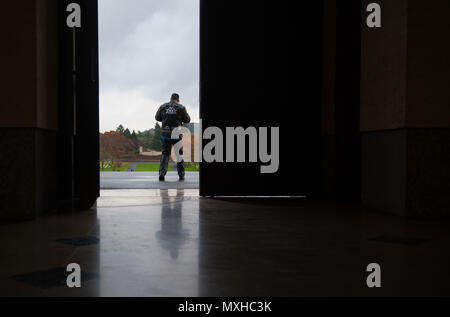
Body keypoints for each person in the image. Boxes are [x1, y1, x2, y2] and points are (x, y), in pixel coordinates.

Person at [155, 93, 191, 181]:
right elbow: (187, 120)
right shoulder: (181, 107)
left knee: (165, 153)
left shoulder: (163, 106)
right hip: (176, 135)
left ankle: (162, 172)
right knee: (179, 154)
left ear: (170, 98)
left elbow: (157, 117)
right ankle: (181, 174)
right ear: (178, 99)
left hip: (165, 134)